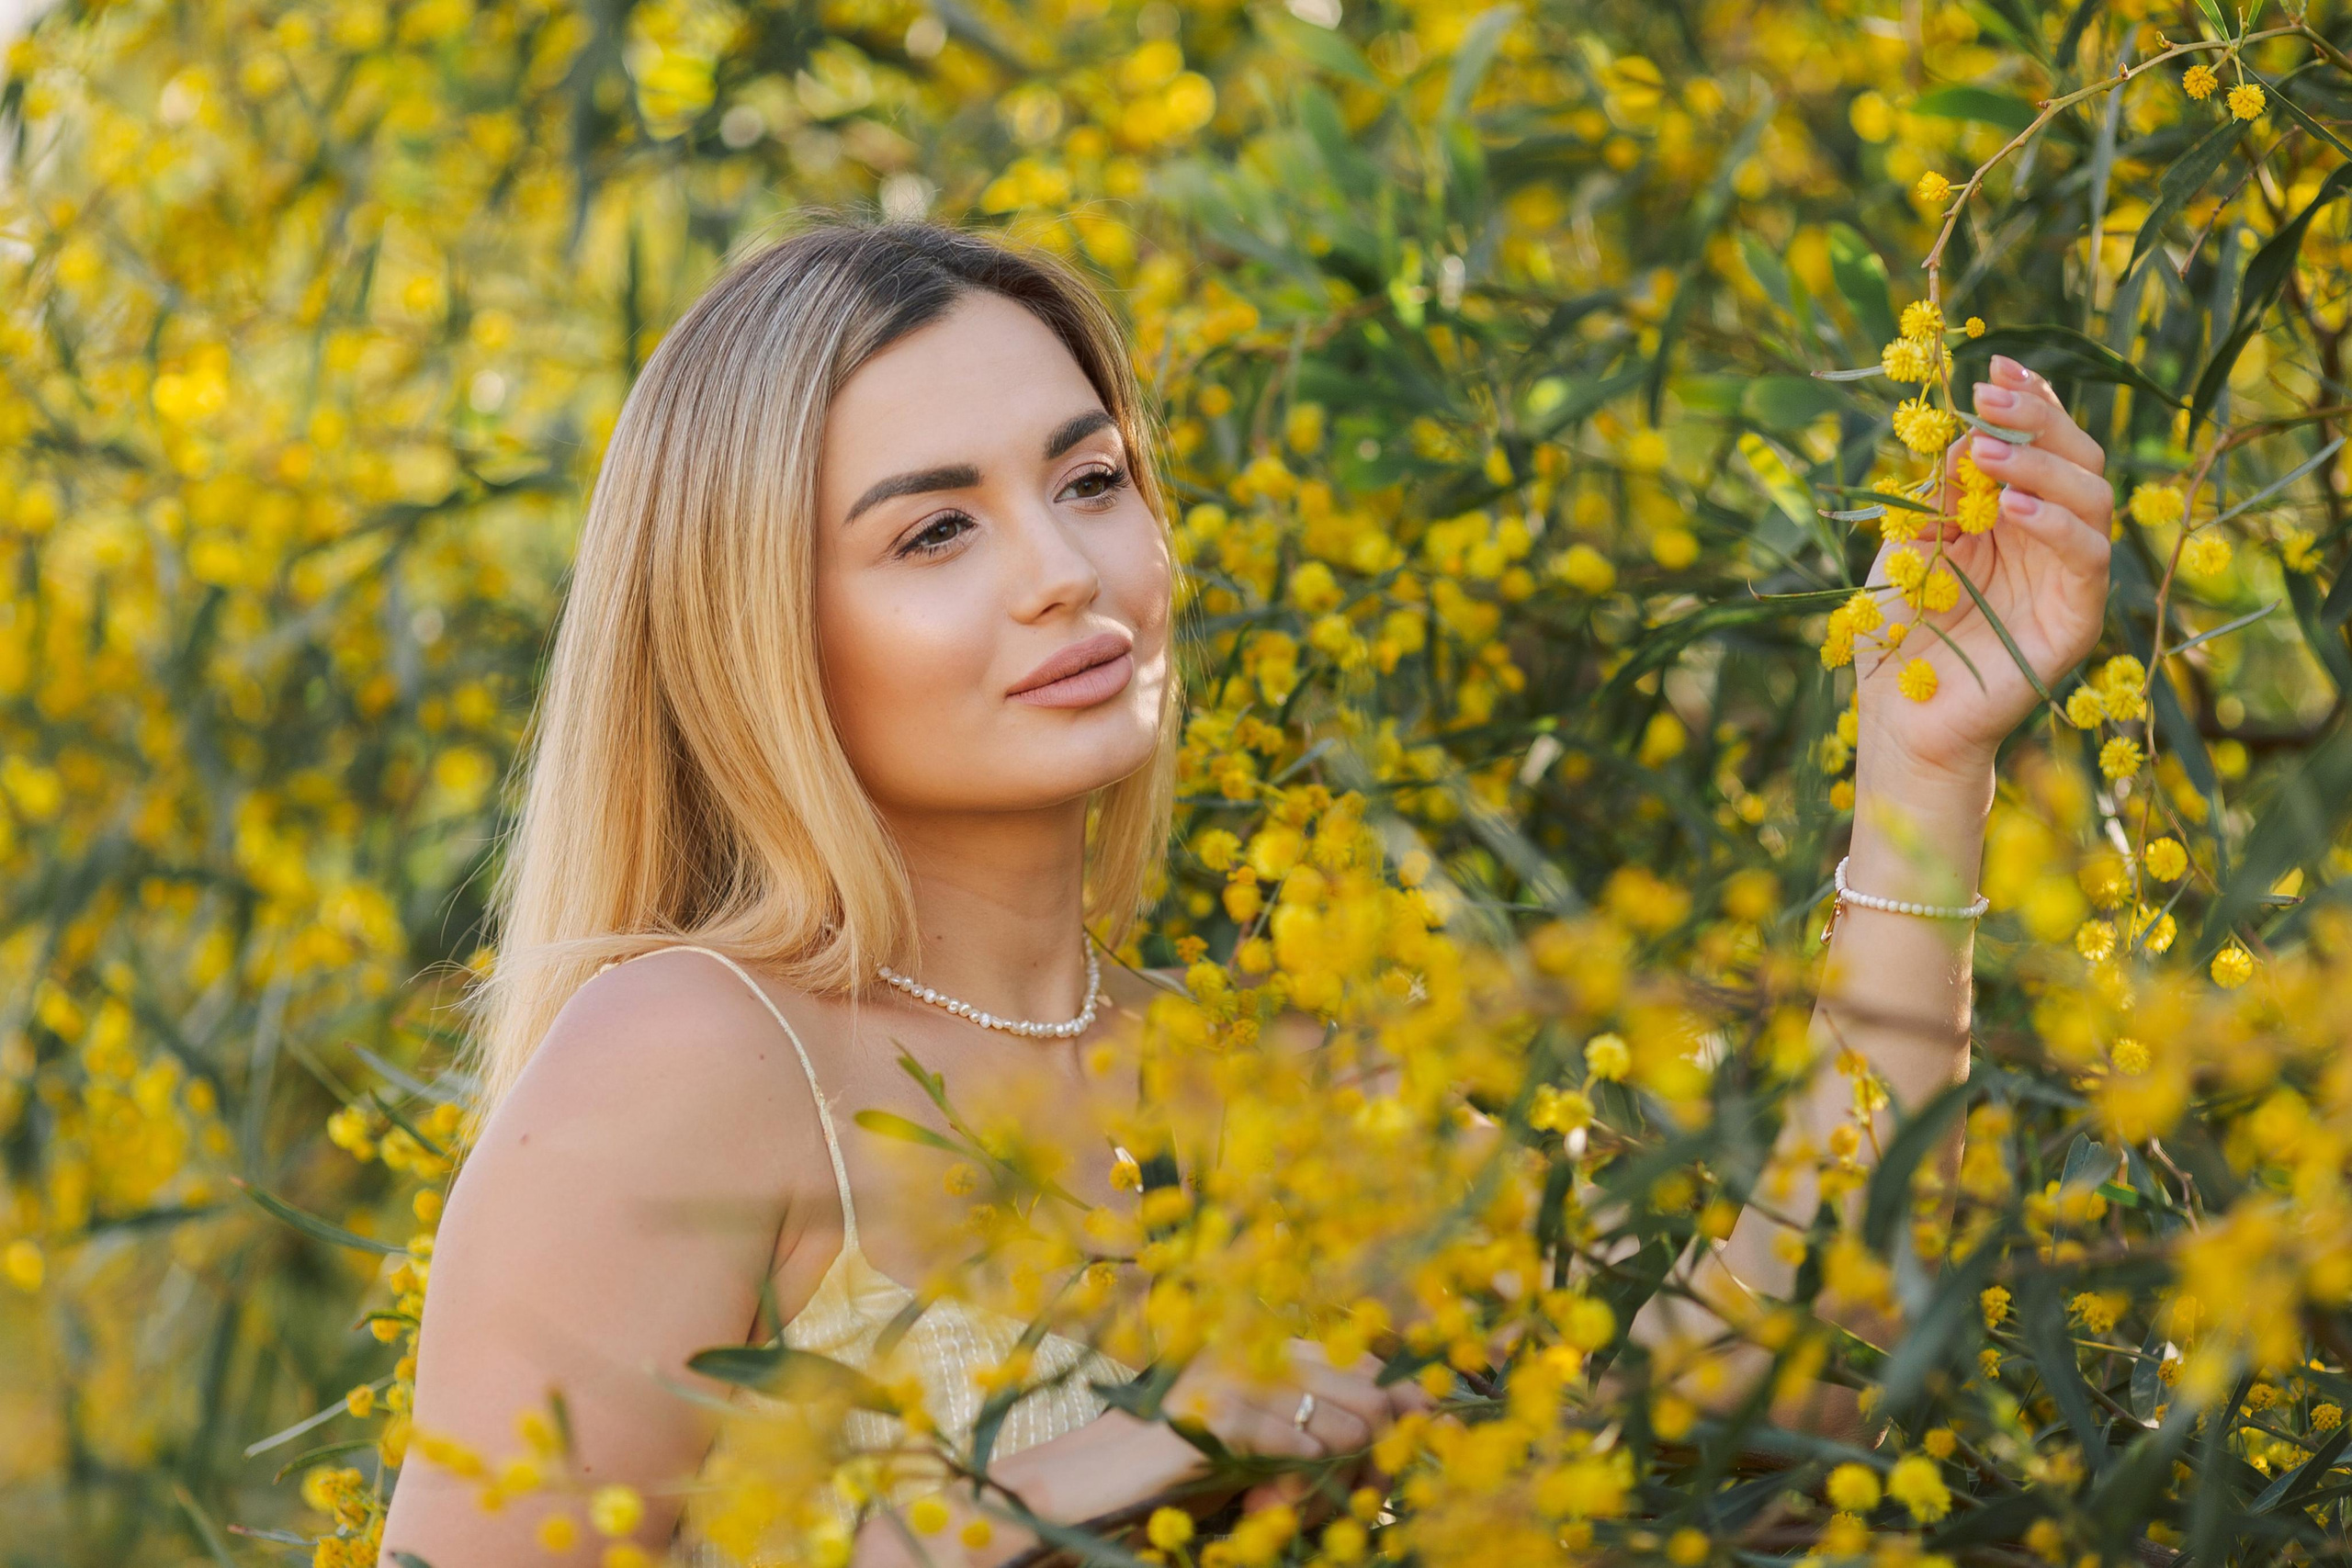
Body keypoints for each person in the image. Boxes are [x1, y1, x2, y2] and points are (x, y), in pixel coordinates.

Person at [379, 220, 2112, 1565]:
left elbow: (1761, 1409)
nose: (1066, 574)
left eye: (1089, 480)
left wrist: (1923, 775)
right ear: (754, 625)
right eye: (934, 533)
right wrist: (1080, 1478)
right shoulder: (691, 1056)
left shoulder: (1242, 1083)